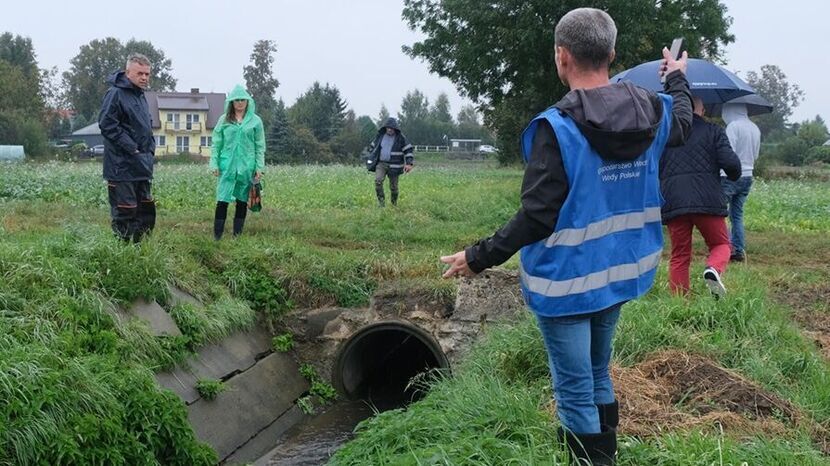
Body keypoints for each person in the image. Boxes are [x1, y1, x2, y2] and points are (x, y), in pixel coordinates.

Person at [440, 8, 692, 465]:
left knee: (574, 388)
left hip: (567, 282)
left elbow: (537, 217)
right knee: (597, 373)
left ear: (562, 56)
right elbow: (685, 122)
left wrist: (477, 256)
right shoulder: (653, 109)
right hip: (620, 273)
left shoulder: (556, 127)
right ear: (612, 54)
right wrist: (675, 77)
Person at [660, 97, 741, 297]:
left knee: (679, 255)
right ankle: (713, 268)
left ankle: (680, 304)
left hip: (674, 201)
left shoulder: (665, 134)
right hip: (708, 200)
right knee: (721, 244)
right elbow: (732, 167)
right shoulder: (714, 131)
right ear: (701, 110)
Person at [99, 53, 156, 243]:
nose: (144, 78)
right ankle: (122, 254)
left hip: (142, 166)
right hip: (121, 166)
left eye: (147, 74)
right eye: (140, 73)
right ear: (127, 72)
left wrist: (149, 151)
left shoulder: (140, 96)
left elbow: (145, 128)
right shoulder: (115, 94)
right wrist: (133, 148)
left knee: (145, 211)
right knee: (126, 211)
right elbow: (107, 125)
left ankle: (140, 250)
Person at [209, 85, 265, 239]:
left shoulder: (256, 121)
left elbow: (260, 146)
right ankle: (217, 237)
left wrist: (259, 166)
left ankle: (237, 236)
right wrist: (214, 163)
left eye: (243, 100)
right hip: (227, 166)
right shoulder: (224, 120)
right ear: (231, 102)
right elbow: (216, 143)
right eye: (236, 100)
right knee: (222, 200)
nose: (240, 103)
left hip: (247, 166)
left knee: (241, 201)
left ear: (248, 101)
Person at [720, 103, 761, 262]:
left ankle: (723, 247)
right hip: (748, 175)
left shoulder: (733, 126)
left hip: (730, 176)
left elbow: (728, 154)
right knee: (737, 215)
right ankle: (738, 249)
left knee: (719, 213)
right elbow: (756, 155)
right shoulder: (755, 128)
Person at [367, 117, 413, 207]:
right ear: (385, 128)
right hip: (381, 164)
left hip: (395, 166)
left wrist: (409, 163)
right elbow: (372, 148)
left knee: (394, 188)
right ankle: (381, 204)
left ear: (395, 128)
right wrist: (370, 158)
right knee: (378, 181)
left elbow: (408, 150)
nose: (389, 129)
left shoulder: (400, 137)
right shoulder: (380, 136)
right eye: (388, 128)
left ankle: (393, 204)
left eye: (391, 128)